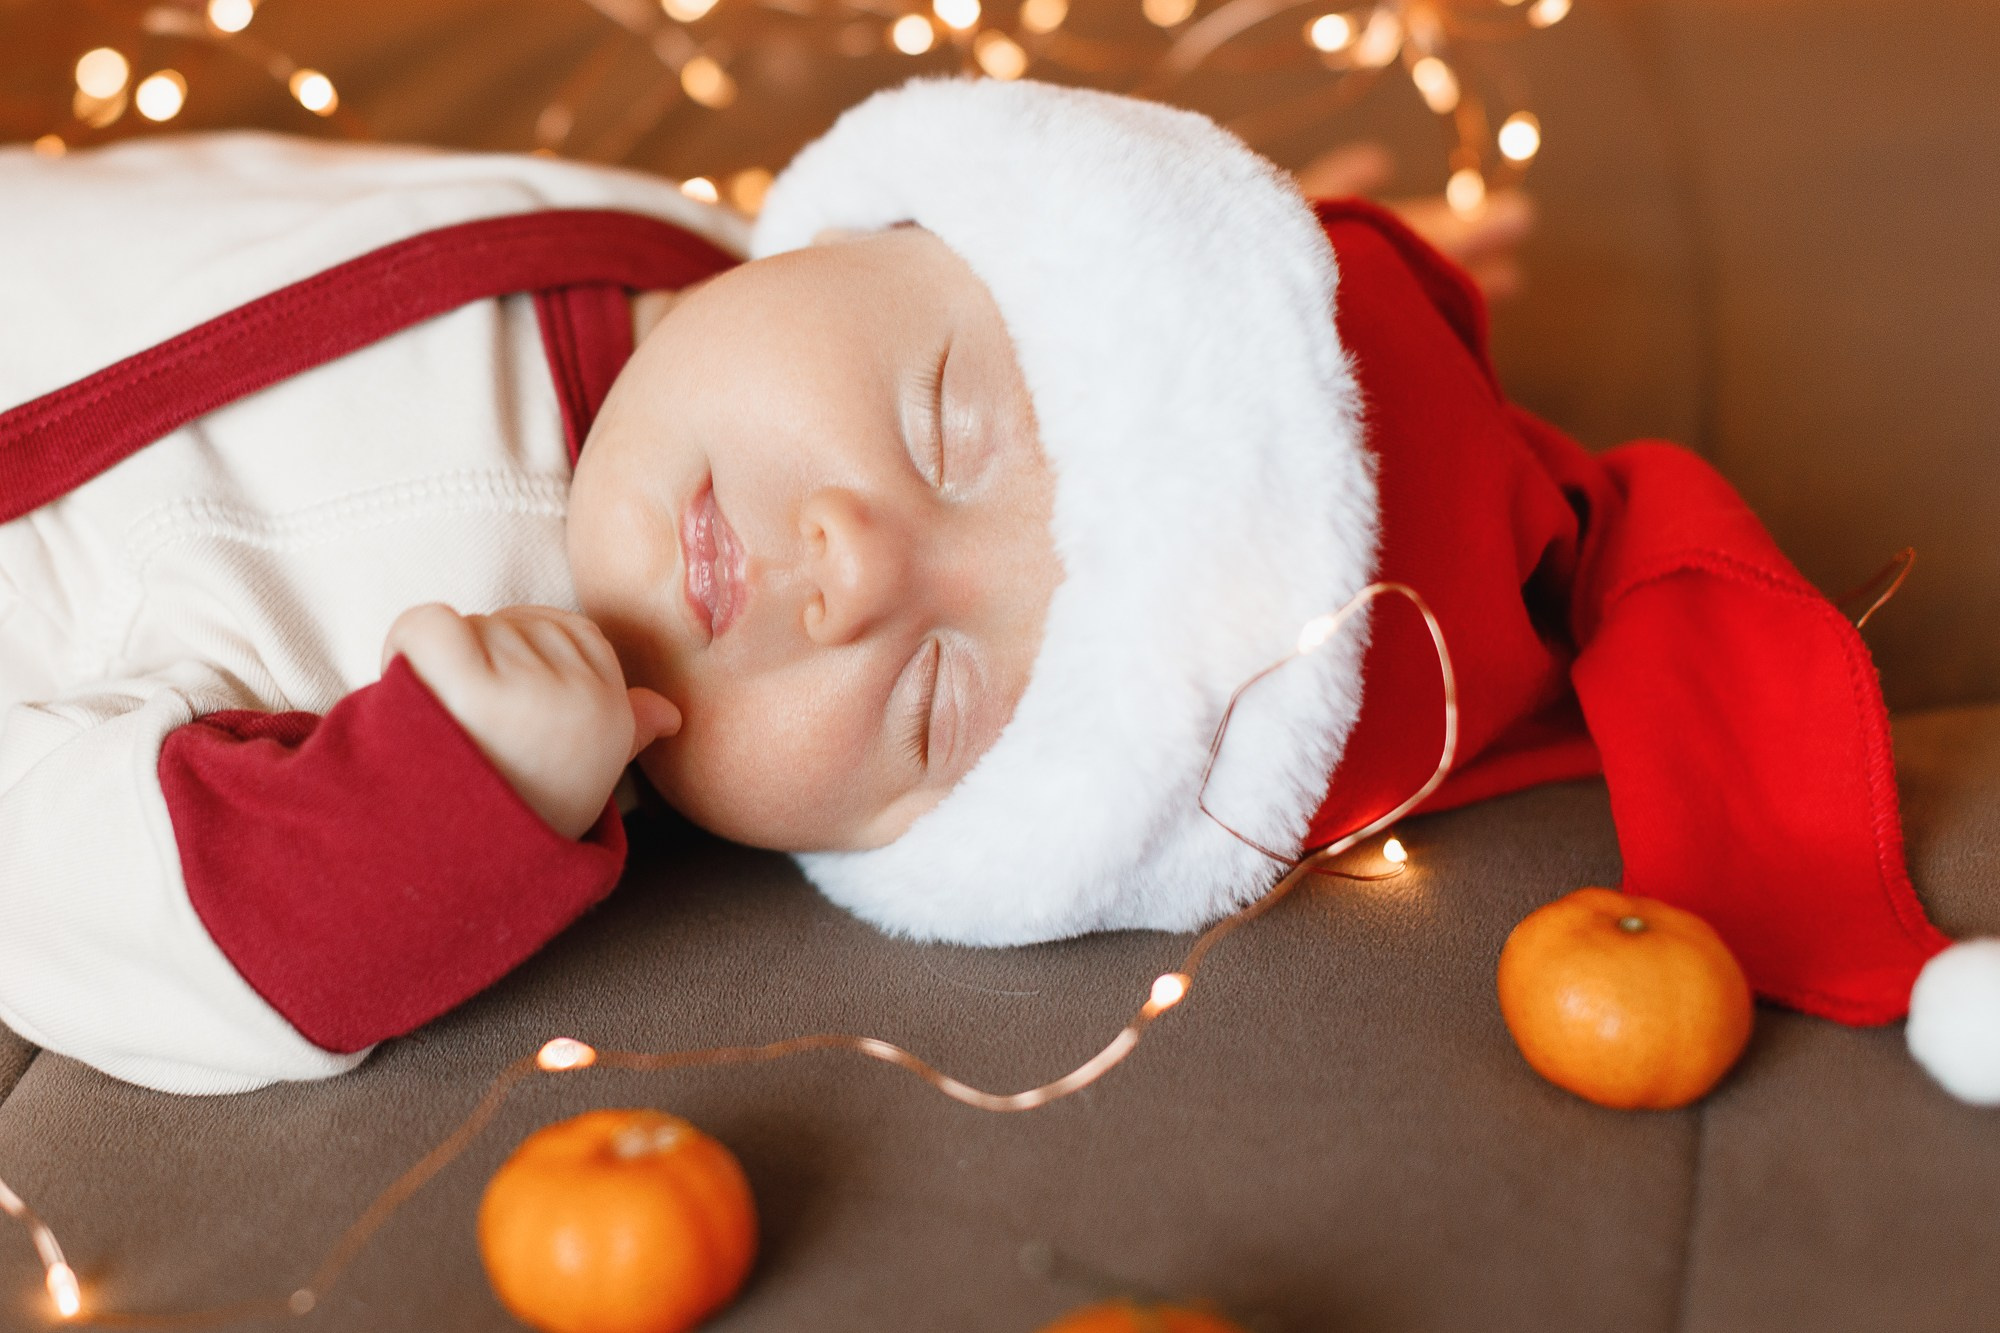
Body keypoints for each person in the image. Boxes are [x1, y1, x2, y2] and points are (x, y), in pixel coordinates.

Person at [3, 78, 1994, 1104]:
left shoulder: (486, 702)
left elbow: (103, 916)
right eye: (948, 415)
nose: (854, 563)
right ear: (896, 216)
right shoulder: (680, 265)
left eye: (942, 699)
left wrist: (453, 804)